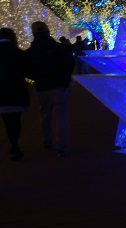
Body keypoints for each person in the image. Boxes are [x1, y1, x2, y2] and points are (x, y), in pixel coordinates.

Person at [27, 21, 75, 156]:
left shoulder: (30, 52)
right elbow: (70, 64)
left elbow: (27, 70)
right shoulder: (60, 48)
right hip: (59, 85)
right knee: (60, 116)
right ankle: (60, 146)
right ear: (48, 32)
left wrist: (37, 77)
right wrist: (65, 76)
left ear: (33, 33)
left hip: (42, 86)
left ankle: (47, 140)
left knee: (45, 115)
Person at [0, 27, 31, 161]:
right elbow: (28, 71)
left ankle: (13, 144)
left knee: (7, 121)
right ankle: (15, 144)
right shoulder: (19, 53)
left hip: (1, 94)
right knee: (16, 120)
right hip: (16, 92)